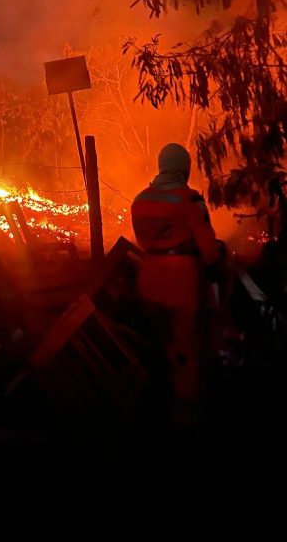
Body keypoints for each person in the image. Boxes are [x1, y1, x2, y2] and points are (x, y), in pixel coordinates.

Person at [131, 142, 222, 423]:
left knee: (160, 346)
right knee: (186, 351)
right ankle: (187, 419)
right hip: (181, 286)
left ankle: (155, 408)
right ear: (184, 168)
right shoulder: (191, 200)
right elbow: (208, 252)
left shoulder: (140, 200)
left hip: (148, 283)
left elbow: (143, 242)